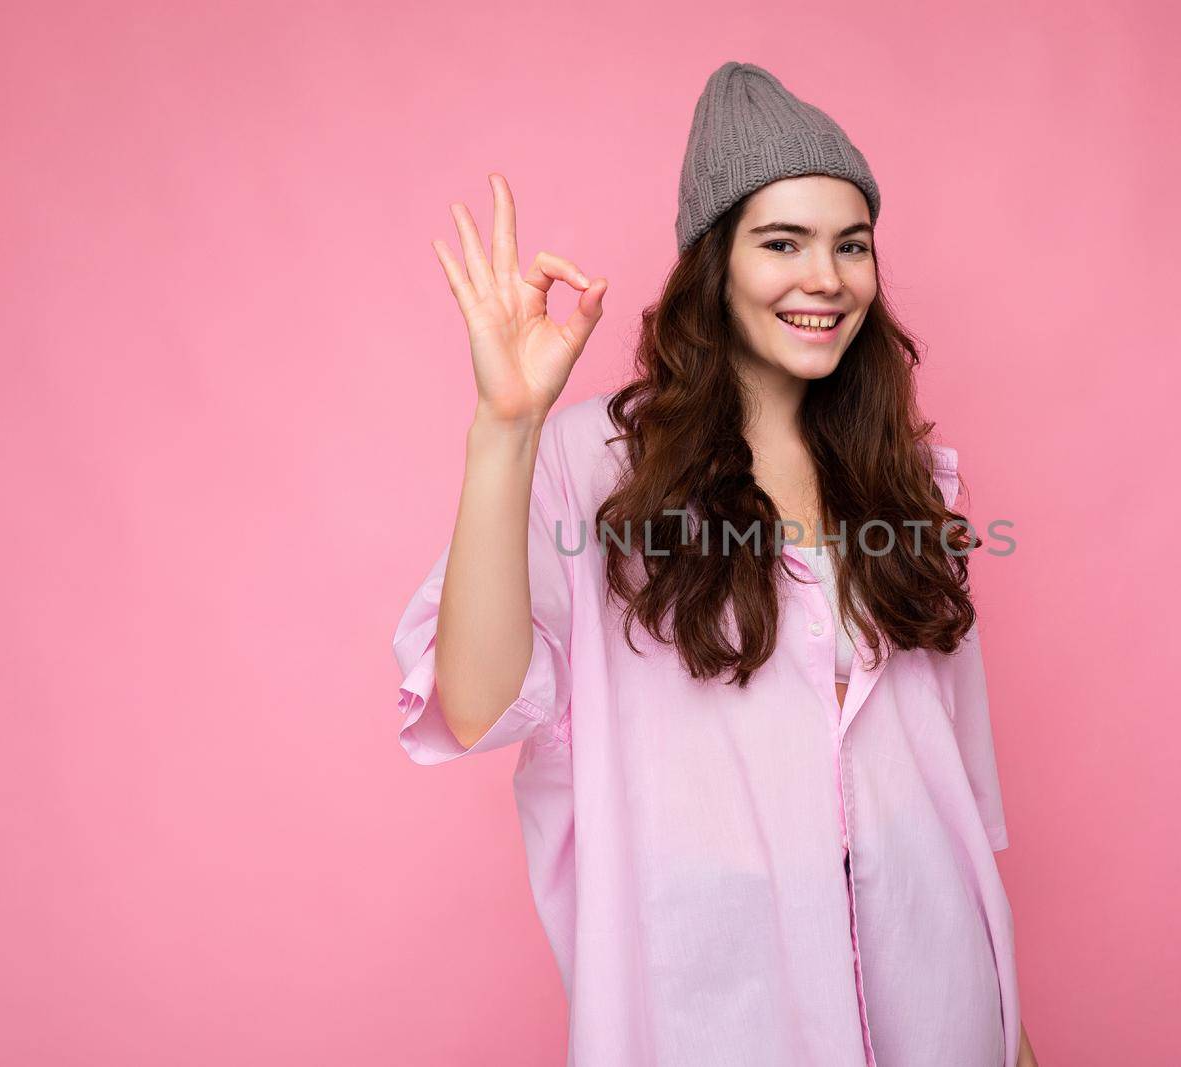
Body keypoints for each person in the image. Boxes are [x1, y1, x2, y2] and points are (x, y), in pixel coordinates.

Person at [395, 61, 1038, 1067]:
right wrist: (504, 428)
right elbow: (473, 702)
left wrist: (1011, 1032)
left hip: (938, 993)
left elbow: (956, 790)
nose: (823, 277)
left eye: (850, 244)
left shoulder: (904, 478)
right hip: (715, 1004)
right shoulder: (593, 473)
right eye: (781, 241)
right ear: (716, 262)